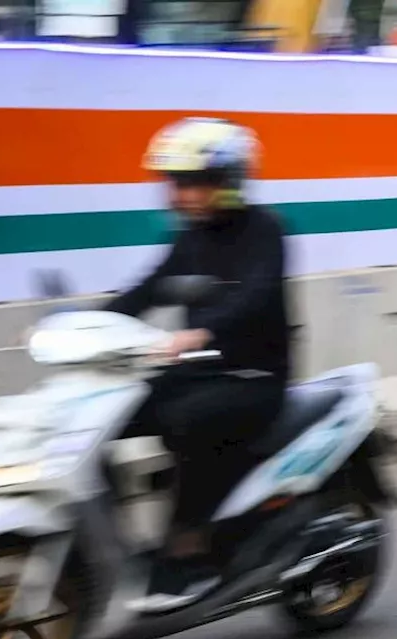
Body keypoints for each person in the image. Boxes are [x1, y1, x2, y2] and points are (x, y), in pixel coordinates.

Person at [105, 117, 290, 614]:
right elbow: (145, 291)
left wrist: (202, 331)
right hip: (196, 371)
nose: (182, 194)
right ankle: (111, 546)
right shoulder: (189, 238)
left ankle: (188, 551)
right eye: (177, 182)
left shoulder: (265, 229)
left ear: (228, 181)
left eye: (194, 182)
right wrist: (75, 324)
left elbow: (256, 296)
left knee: (187, 423)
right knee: (106, 415)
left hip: (253, 378)